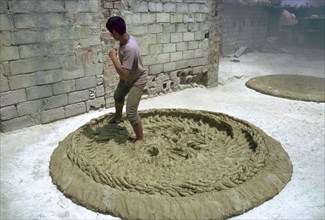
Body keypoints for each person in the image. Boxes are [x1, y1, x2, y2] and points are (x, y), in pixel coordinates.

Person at [106, 16, 148, 144]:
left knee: (131, 111)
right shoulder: (125, 39)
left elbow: (124, 74)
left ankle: (140, 137)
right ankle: (118, 117)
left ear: (115, 32)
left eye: (111, 33)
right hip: (129, 77)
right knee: (118, 95)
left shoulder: (129, 48)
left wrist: (113, 58)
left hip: (137, 79)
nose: (111, 35)